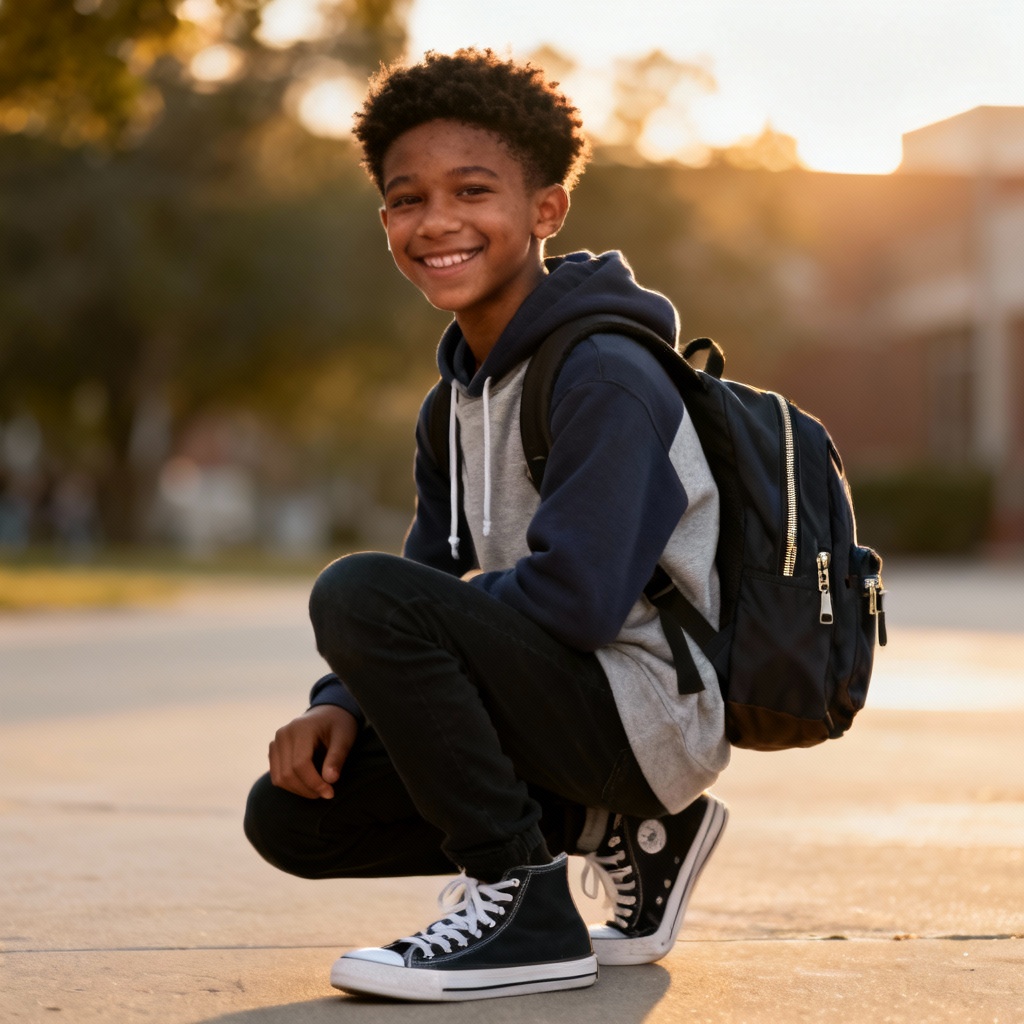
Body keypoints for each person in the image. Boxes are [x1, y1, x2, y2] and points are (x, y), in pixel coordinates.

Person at [243, 47, 730, 1003]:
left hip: (648, 711)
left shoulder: (606, 374)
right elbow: (432, 572)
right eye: (406, 200)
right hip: (558, 702)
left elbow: (579, 600)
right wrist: (342, 701)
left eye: (472, 191)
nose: (436, 222)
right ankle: (621, 833)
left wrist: (407, 630)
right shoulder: (456, 403)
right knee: (295, 816)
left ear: (546, 210)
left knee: (357, 590)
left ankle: (524, 908)